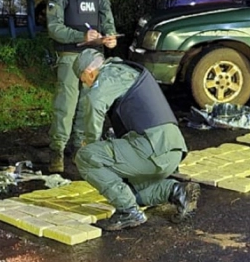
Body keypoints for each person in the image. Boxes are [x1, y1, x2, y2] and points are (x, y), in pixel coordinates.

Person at [72, 49, 201, 231]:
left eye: (84, 81)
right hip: (171, 151)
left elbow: (94, 103)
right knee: (131, 191)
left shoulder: (110, 74)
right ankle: (176, 191)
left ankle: (128, 212)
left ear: (89, 72)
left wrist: (92, 143)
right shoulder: (128, 71)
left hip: (151, 149)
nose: (86, 86)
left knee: (86, 157)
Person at [46, 0, 118, 173]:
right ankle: (57, 150)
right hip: (69, 55)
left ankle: (79, 149)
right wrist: (81, 36)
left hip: (94, 58)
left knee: (88, 105)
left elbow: (108, 22)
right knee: (66, 105)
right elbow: (54, 28)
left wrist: (111, 38)